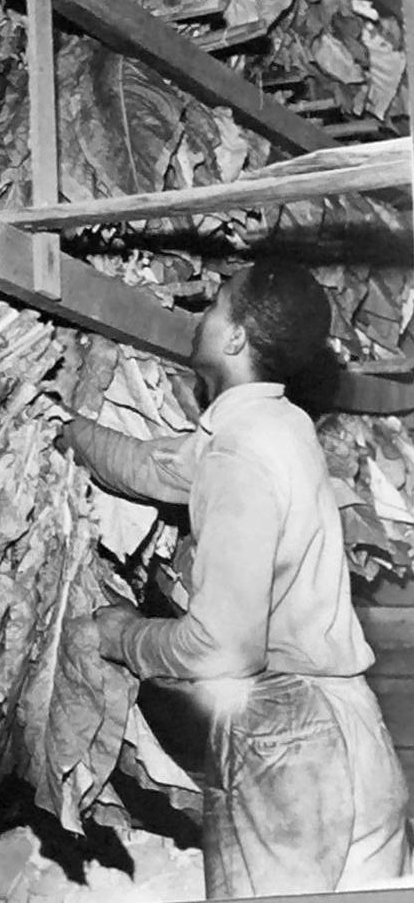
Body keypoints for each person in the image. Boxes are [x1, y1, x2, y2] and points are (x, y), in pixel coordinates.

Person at [59, 259, 411, 899]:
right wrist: (67, 430)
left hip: (290, 739)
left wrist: (119, 635)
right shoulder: (279, 425)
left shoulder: (241, 452)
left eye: (216, 303)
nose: (202, 313)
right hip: (353, 729)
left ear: (234, 339)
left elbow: (221, 649)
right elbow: (160, 469)